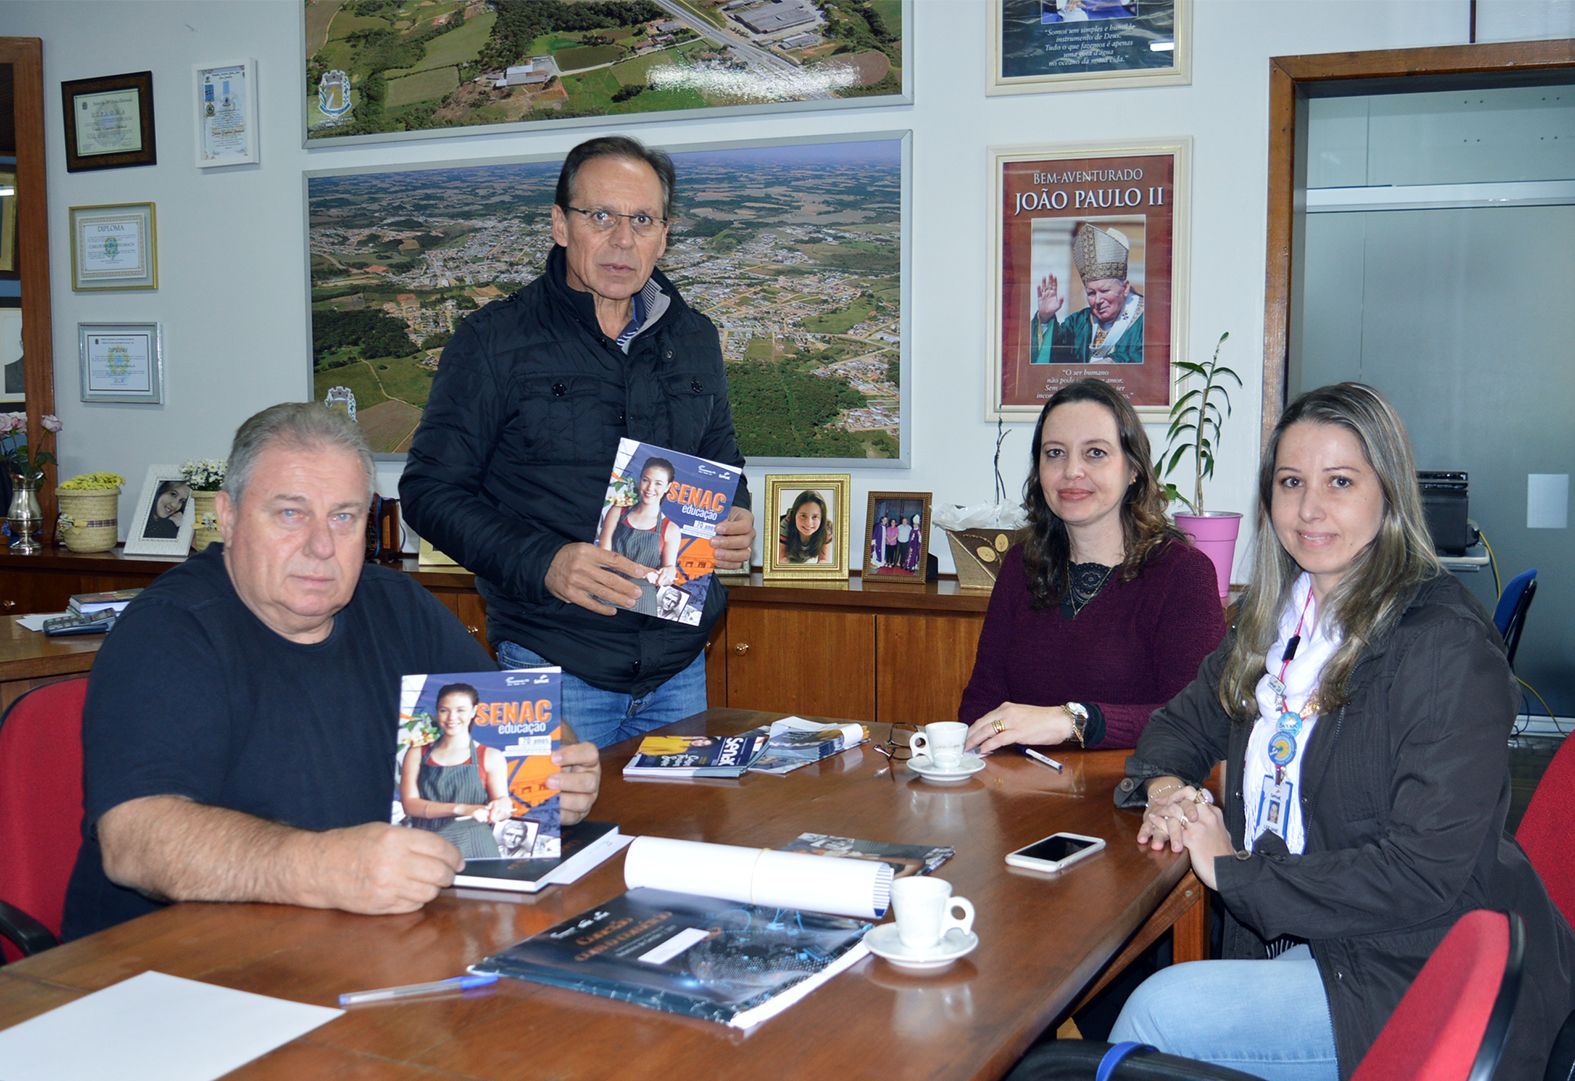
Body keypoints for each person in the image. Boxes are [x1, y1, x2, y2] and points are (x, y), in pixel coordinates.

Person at [1109, 383, 1575, 1079]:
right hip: (1311, 935)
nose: (1308, 508)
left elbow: (1421, 869)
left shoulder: (1443, 644)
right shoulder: (1272, 621)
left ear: (1386, 494)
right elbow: (1180, 721)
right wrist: (1171, 789)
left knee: (1155, 1014)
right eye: (1290, 481)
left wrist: (1235, 870)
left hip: (1412, 959)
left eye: (1340, 481)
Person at [62, 403, 602, 939]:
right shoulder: (169, 631)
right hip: (174, 968)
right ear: (227, 516)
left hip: (365, 938)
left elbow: (526, 736)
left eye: (343, 517)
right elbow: (135, 839)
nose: (321, 547)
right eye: (291, 513)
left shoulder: (398, 605)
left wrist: (557, 776)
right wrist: (322, 866)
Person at [401, 135, 754, 749]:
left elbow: (721, 459)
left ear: (664, 234)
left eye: (642, 220)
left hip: (679, 668)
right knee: (555, 845)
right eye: (601, 217)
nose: (623, 240)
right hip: (553, 663)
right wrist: (546, 562)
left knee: (672, 842)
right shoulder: (493, 340)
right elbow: (430, 492)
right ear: (561, 225)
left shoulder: (695, 337)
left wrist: (737, 513)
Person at [960, 378, 1223, 753]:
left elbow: (1196, 718)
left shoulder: (1182, 574)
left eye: (1095, 453)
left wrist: (1073, 720)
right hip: (1021, 794)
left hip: (1133, 796)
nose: (1071, 472)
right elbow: (980, 705)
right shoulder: (1021, 565)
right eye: (1055, 453)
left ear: (1132, 469)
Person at [398, 682, 513, 859]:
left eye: (460, 710)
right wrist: (461, 809)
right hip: (428, 846)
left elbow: (502, 802)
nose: (452, 717)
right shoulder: (417, 754)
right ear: (437, 712)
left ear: (474, 711)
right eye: (444, 710)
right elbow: (410, 805)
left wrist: (503, 805)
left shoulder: (490, 756)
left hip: (477, 847)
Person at [1030, 222, 1144, 365]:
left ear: (1125, 288)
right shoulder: (1078, 322)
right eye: (1091, 293)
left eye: (1104, 291)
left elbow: (1155, 358)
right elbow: (1052, 356)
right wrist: (1045, 318)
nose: (1098, 300)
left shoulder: (1147, 320)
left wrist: (1114, 362)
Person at [596, 456, 681, 618]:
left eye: (658, 483)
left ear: (668, 487)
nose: (650, 488)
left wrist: (669, 572)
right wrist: (643, 572)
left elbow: (669, 570)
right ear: (639, 480)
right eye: (646, 480)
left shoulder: (671, 529)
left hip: (643, 602)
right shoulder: (617, 511)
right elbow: (602, 556)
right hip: (607, 590)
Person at [779, 489, 833, 564]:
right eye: (803, 515)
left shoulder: (827, 529)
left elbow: (823, 560)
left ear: (822, 517)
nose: (808, 523)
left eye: (815, 516)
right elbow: (781, 558)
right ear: (794, 515)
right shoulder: (784, 525)